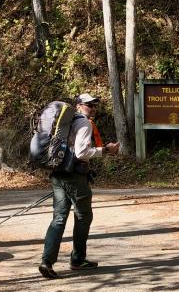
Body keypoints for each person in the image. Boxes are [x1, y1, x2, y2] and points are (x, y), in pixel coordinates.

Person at [38, 93, 120, 279]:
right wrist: (106, 150)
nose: (93, 108)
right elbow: (82, 152)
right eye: (89, 105)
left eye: (94, 105)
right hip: (75, 176)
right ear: (78, 106)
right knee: (84, 216)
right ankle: (78, 259)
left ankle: (47, 261)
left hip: (58, 174)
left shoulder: (64, 124)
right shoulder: (83, 123)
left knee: (59, 218)